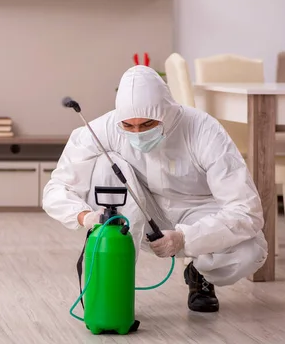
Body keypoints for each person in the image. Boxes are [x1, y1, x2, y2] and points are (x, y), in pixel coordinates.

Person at [42, 65, 268, 313]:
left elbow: (247, 211)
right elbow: (56, 188)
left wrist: (187, 238)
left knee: (252, 252)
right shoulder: (105, 128)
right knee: (106, 163)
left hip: (199, 212)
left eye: (148, 124)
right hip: (138, 209)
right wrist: (85, 216)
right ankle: (113, 280)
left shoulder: (204, 130)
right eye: (129, 126)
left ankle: (199, 271)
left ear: (167, 112)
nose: (138, 133)